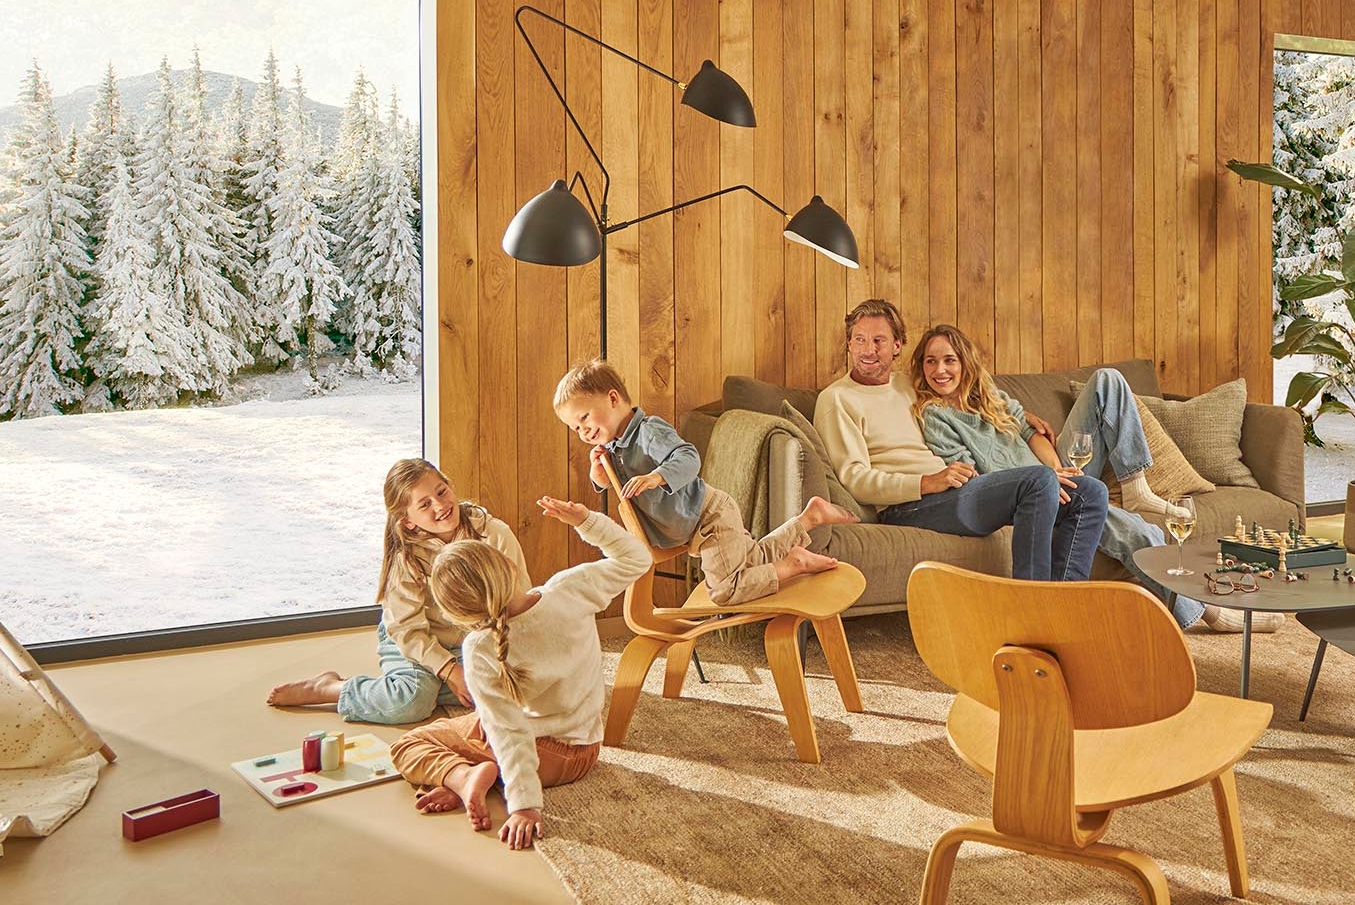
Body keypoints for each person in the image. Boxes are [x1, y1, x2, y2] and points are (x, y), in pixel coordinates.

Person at [912, 324, 1273, 634]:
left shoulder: (990, 394)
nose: (940, 370)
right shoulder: (936, 416)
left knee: (1108, 381)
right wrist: (1046, 483)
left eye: (949, 360)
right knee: (1131, 526)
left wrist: (1057, 470)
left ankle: (1135, 485)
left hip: (1054, 473)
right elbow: (981, 486)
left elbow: (1029, 431)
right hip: (1027, 498)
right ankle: (1207, 611)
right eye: (931, 361)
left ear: (965, 363)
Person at [389, 495, 650, 848]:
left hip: (545, 755)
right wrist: (586, 521)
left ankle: (462, 777)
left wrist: (525, 807)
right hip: (586, 750)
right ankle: (471, 777)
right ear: (509, 567)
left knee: (410, 744)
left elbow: (510, 733)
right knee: (467, 733)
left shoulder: (479, 648)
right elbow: (637, 558)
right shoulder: (570, 590)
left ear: (459, 616)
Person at [813, 298, 1104, 582]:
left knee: (1091, 493)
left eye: (879, 340)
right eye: (859, 340)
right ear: (849, 343)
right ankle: (1030, 607)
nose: (868, 350)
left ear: (897, 346)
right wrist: (927, 482)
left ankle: (1064, 601)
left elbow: (965, 393)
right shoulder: (836, 400)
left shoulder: (907, 384)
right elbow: (854, 479)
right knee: (1039, 479)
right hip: (907, 505)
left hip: (956, 490)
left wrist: (1020, 415)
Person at [554, 359, 854, 604]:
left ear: (612, 398)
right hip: (696, 525)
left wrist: (656, 477)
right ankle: (807, 520)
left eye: (584, 418)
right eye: (574, 427)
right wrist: (599, 474)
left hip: (710, 516)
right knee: (752, 560)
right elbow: (611, 484)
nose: (582, 430)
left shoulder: (648, 432)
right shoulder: (614, 448)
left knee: (725, 590)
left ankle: (793, 565)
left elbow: (688, 457)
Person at [267, 458, 527, 722]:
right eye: (425, 504)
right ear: (408, 522)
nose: (440, 505)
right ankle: (331, 688)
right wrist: (449, 670)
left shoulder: (494, 534)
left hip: (473, 640)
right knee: (412, 701)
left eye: (441, 491)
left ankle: (437, 685)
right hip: (414, 638)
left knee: (515, 685)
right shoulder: (407, 557)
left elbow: (518, 602)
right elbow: (406, 630)